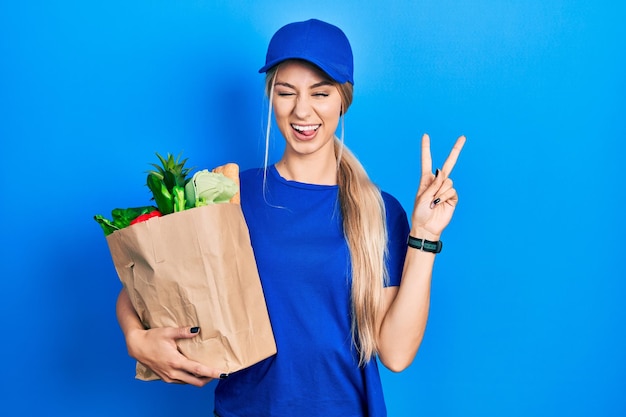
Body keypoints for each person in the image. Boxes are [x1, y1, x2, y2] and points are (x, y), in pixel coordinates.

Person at [116, 18, 465, 417]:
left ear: (342, 100)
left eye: (320, 93)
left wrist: (423, 235)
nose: (303, 110)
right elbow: (143, 284)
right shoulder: (229, 194)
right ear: (271, 96)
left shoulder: (379, 212)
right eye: (286, 92)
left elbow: (396, 354)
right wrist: (135, 338)